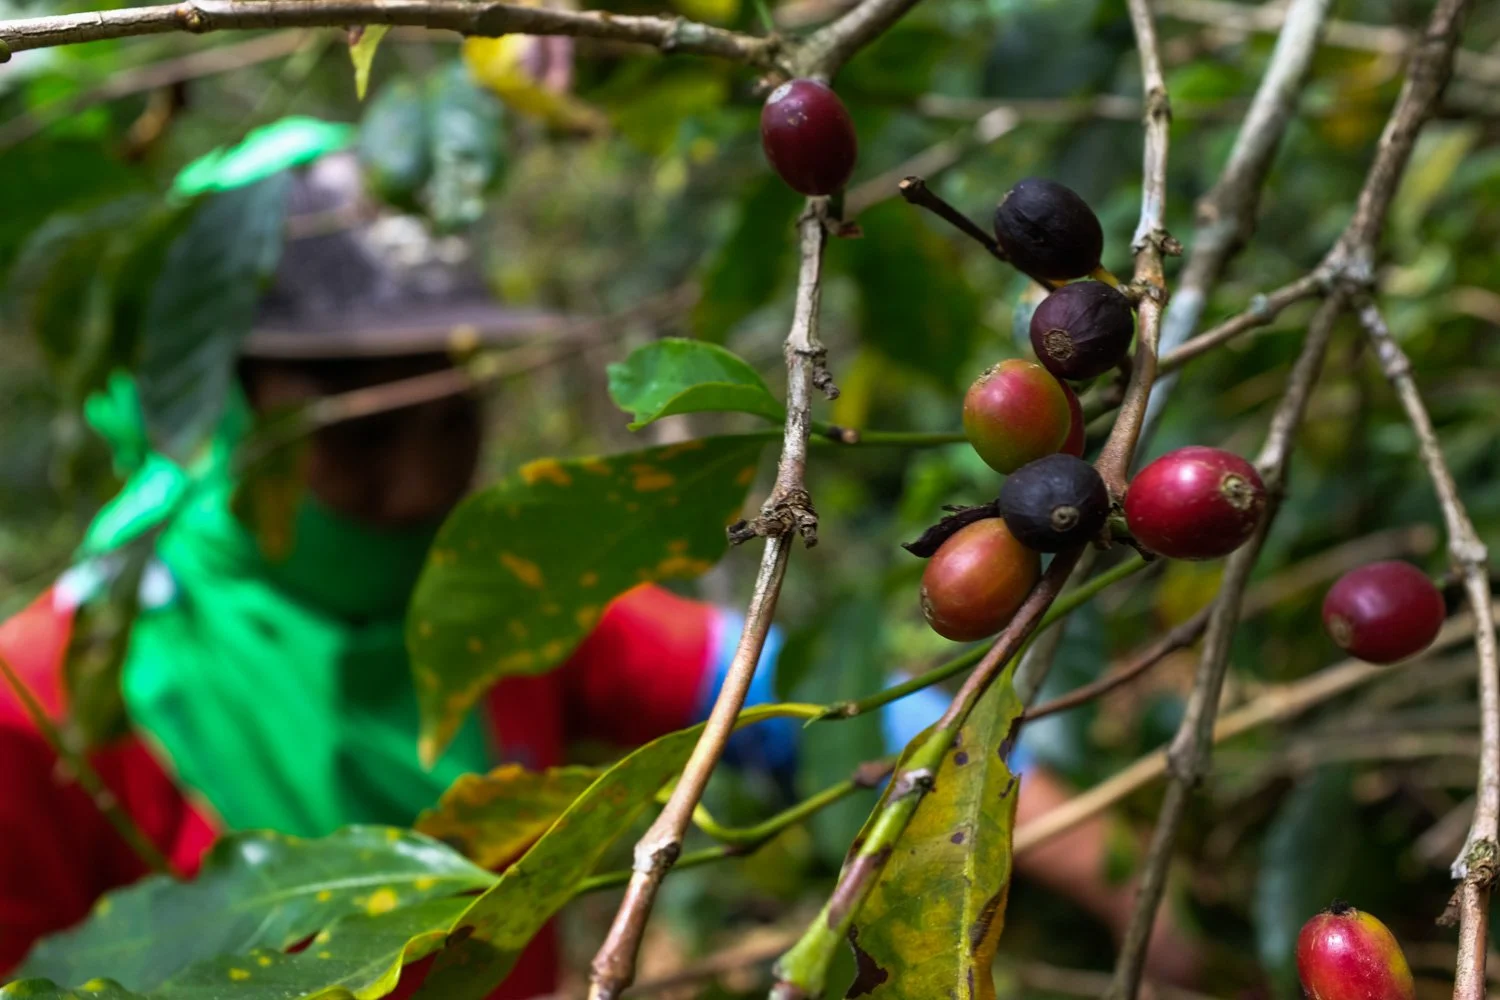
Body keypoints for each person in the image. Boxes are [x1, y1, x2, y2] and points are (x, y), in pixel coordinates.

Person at [0, 123, 1196, 994]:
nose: (417, 487)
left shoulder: (510, 608)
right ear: (220, 413)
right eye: (356, 436)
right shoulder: (43, 704)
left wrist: (1113, 867)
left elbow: (788, 704)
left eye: (446, 417)